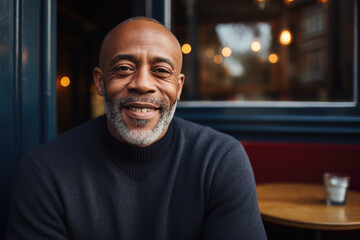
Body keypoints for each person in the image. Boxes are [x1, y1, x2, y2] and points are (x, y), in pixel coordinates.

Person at [6, 17, 267, 240]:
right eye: (124, 68)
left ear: (178, 86)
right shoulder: (44, 172)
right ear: (100, 81)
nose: (142, 84)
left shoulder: (219, 161)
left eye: (161, 71)